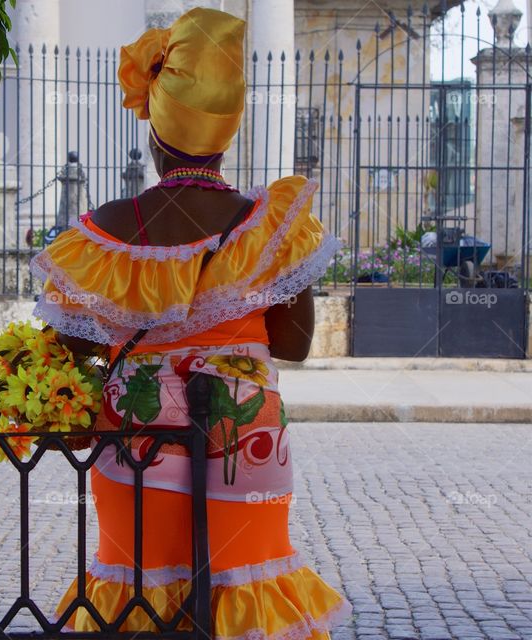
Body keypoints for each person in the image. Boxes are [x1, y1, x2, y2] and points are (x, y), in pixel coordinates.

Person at [28, 7, 354, 639]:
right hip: (244, 434)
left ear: (154, 129)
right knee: (249, 581)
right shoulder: (273, 225)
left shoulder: (102, 233)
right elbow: (295, 343)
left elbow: (63, 345)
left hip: (136, 437)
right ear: (226, 134)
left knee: (137, 586)